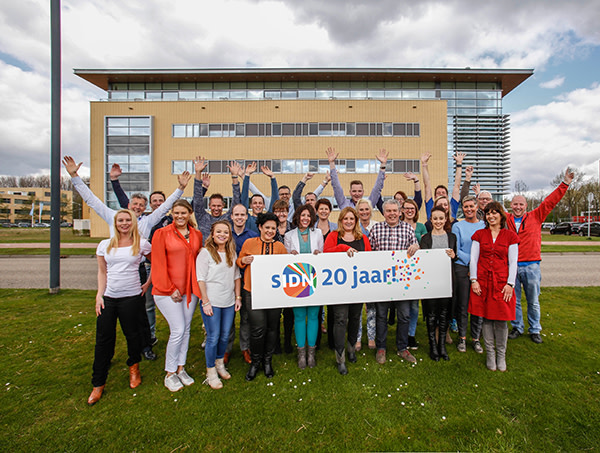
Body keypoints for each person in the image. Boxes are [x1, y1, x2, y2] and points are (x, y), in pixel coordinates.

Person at [88, 209, 152, 405]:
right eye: (120, 220)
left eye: (127, 220)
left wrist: (148, 283)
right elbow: (102, 272)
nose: (124, 223)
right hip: (109, 297)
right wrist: (99, 294)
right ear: (115, 223)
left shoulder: (141, 244)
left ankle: (134, 367)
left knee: (132, 335)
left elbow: (157, 263)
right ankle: (98, 383)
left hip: (132, 296)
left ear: (133, 222)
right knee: (104, 339)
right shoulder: (104, 245)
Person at [507, 168, 574, 343]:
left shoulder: (536, 216)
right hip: (512, 266)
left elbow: (550, 202)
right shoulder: (506, 219)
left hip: (531, 265)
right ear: (511, 205)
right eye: (515, 204)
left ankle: (535, 329)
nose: (518, 207)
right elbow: (491, 208)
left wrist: (564, 183)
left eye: (521, 204)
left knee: (533, 301)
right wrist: (479, 195)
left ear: (526, 206)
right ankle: (517, 327)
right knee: (514, 300)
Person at [151, 200, 203, 392]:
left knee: (186, 329)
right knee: (178, 329)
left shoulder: (196, 234)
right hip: (168, 291)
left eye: (183, 213)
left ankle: (181, 368)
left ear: (189, 213)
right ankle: (170, 373)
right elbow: (158, 263)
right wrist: (169, 287)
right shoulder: (161, 234)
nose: (179, 216)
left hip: (189, 291)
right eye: (176, 213)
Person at [237, 212, 288, 381]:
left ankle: (267, 361)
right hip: (253, 290)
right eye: (267, 227)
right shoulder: (250, 243)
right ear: (260, 227)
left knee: (272, 328)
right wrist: (244, 261)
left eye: (273, 228)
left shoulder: (280, 247)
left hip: (273, 293)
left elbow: (285, 268)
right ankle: (255, 362)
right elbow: (239, 260)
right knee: (257, 329)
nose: (270, 231)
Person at [469, 201, 520, 371]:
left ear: (501, 215)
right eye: (488, 213)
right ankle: (490, 354)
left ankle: (501, 355)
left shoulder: (510, 236)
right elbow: (474, 259)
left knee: (501, 319)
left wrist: (510, 284)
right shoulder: (479, 235)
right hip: (482, 282)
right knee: (486, 318)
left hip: (501, 283)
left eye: (494, 213)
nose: (491, 216)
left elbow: (513, 262)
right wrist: (474, 280)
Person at [368, 199, 420, 365]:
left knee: (404, 315)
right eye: (388, 211)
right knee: (381, 315)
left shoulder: (407, 229)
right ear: (384, 213)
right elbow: (369, 253)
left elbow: (415, 248)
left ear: (400, 212)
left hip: (402, 281)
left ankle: (402, 348)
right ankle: (381, 348)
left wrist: (416, 247)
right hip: (382, 281)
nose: (391, 214)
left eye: (394, 211)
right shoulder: (376, 229)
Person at [323, 207, 372, 374]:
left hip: (357, 285)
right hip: (338, 287)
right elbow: (326, 253)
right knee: (340, 319)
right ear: (341, 220)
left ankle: (351, 349)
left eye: (352, 219)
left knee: (355, 317)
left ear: (356, 221)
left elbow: (368, 260)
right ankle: (340, 357)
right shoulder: (333, 236)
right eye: (346, 219)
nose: (349, 221)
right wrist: (343, 248)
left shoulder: (363, 238)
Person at [197, 221, 242, 389]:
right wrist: (205, 301)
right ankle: (210, 372)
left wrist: (238, 297)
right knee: (213, 336)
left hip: (229, 301)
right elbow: (200, 279)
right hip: (212, 302)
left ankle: (219, 364)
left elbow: (236, 276)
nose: (222, 234)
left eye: (226, 232)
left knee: (225, 336)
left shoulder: (231, 253)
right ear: (213, 234)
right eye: (219, 231)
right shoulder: (205, 253)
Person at [284, 205, 324, 369]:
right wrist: (290, 255)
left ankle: (311, 353)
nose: (305, 218)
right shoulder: (288, 235)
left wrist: (318, 254)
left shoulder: (318, 233)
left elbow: (321, 254)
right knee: (299, 316)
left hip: (314, 278)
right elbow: (285, 261)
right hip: (296, 280)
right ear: (297, 217)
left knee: (314, 315)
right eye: (303, 215)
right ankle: (301, 353)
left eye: (308, 215)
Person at [419, 206, 457, 361]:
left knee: (444, 315)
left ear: (446, 219)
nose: (438, 221)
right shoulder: (425, 239)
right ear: (431, 220)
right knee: (432, 315)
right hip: (431, 282)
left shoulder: (452, 237)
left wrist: (454, 255)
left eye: (441, 218)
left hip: (447, 282)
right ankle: (432, 346)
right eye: (435, 218)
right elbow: (423, 261)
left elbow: (455, 257)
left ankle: (442, 346)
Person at [452, 195, 485, 354]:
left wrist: (475, 266)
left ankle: (476, 338)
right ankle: (462, 338)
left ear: (477, 207)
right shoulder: (458, 226)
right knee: (463, 304)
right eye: (466, 207)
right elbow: (457, 249)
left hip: (480, 269)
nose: (469, 209)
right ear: (462, 209)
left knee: (478, 305)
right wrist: (471, 263)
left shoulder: (484, 225)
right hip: (462, 268)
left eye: (471, 206)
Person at [227, 204, 258, 364]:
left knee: (246, 318)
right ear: (231, 216)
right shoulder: (225, 234)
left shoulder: (253, 236)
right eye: (236, 214)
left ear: (247, 217)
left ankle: (245, 348)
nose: (239, 217)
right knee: (228, 317)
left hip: (246, 281)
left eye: (242, 214)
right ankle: (226, 349)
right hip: (227, 281)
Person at [192, 157, 242, 243]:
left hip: (224, 253)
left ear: (223, 205)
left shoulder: (228, 218)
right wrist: (198, 173)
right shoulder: (202, 217)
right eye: (213, 205)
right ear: (209, 206)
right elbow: (197, 198)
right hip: (206, 253)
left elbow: (236, 198)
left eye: (219, 206)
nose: (216, 208)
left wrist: (234, 176)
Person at [401, 198, 428, 349]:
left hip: (416, 269)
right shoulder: (398, 226)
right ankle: (402, 333)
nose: (410, 210)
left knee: (414, 306)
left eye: (413, 208)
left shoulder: (421, 227)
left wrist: (417, 247)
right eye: (407, 208)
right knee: (402, 306)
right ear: (402, 210)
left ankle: (411, 335)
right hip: (399, 269)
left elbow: (425, 246)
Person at [354, 198, 377, 351]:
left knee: (372, 307)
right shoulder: (353, 226)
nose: (364, 212)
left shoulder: (377, 226)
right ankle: (357, 338)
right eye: (361, 210)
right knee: (356, 307)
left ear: (371, 210)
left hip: (373, 271)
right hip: (356, 271)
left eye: (366, 209)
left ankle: (371, 337)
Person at [272, 199, 294, 354]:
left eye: (284, 210)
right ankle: (276, 344)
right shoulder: (270, 228)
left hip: (290, 274)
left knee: (289, 312)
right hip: (274, 273)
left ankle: (287, 342)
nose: (282, 213)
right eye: (278, 211)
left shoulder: (294, 228)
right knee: (274, 313)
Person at [421, 152, 465, 220]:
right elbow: (427, 185)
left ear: (447, 196)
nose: (441, 194)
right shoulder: (431, 206)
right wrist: (424, 164)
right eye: (438, 193)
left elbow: (457, 186)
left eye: (443, 193)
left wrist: (459, 164)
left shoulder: (452, 206)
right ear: (435, 197)